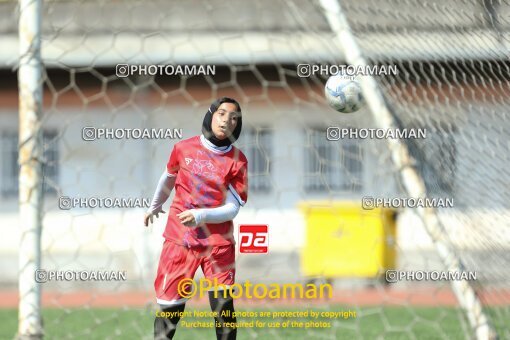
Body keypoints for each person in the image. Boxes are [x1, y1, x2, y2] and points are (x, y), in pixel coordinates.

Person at [144, 97, 248, 340]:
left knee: (224, 310)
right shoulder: (183, 148)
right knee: (170, 311)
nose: (227, 121)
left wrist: (201, 215)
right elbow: (168, 177)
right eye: (222, 114)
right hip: (180, 240)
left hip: (218, 244)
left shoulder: (238, 160)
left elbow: (233, 209)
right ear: (210, 115)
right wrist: (155, 205)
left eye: (234, 118)